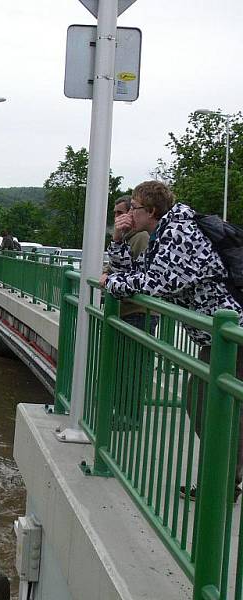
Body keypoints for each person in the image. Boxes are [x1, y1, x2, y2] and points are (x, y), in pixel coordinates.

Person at [100, 180, 243, 498]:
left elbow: (155, 283)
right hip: (218, 335)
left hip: (232, 334)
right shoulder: (163, 232)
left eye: (133, 208)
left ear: (150, 210)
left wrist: (112, 284)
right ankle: (224, 479)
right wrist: (118, 240)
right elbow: (136, 270)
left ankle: (220, 485)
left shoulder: (179, 232)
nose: (129, 214)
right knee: (207, 402)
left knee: (206, 403)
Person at [104, 195, 159, 333]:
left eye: (120, 213)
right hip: (127, 310)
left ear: (131, 213)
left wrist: (110, 278)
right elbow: (118, 267)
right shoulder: (126, 236)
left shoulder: (141, 237)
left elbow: (137, 273)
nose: (116, 217)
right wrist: (107, 272)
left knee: (131, 354)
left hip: (139, 312)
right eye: (115, 213)